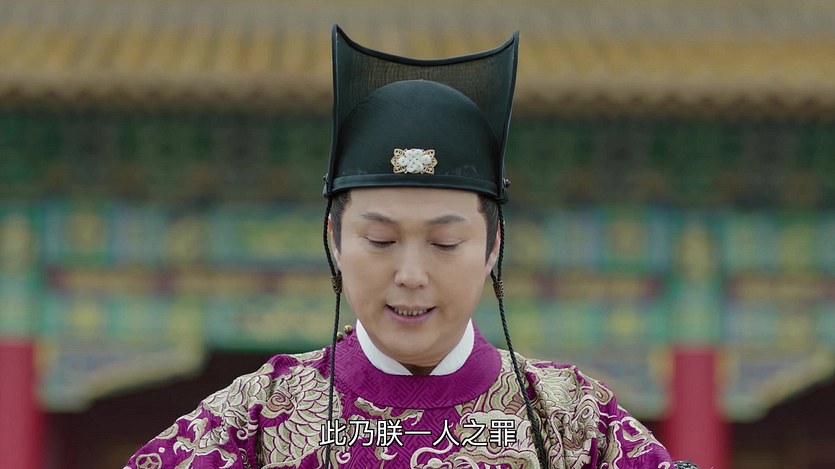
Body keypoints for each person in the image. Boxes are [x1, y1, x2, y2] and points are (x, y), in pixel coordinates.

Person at [125, 26, 695, 469]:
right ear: (335, 242)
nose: (411, 274)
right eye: (380, 240)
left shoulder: (573, 421)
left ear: (492, 247)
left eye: (445, 242)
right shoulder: (258, 417)